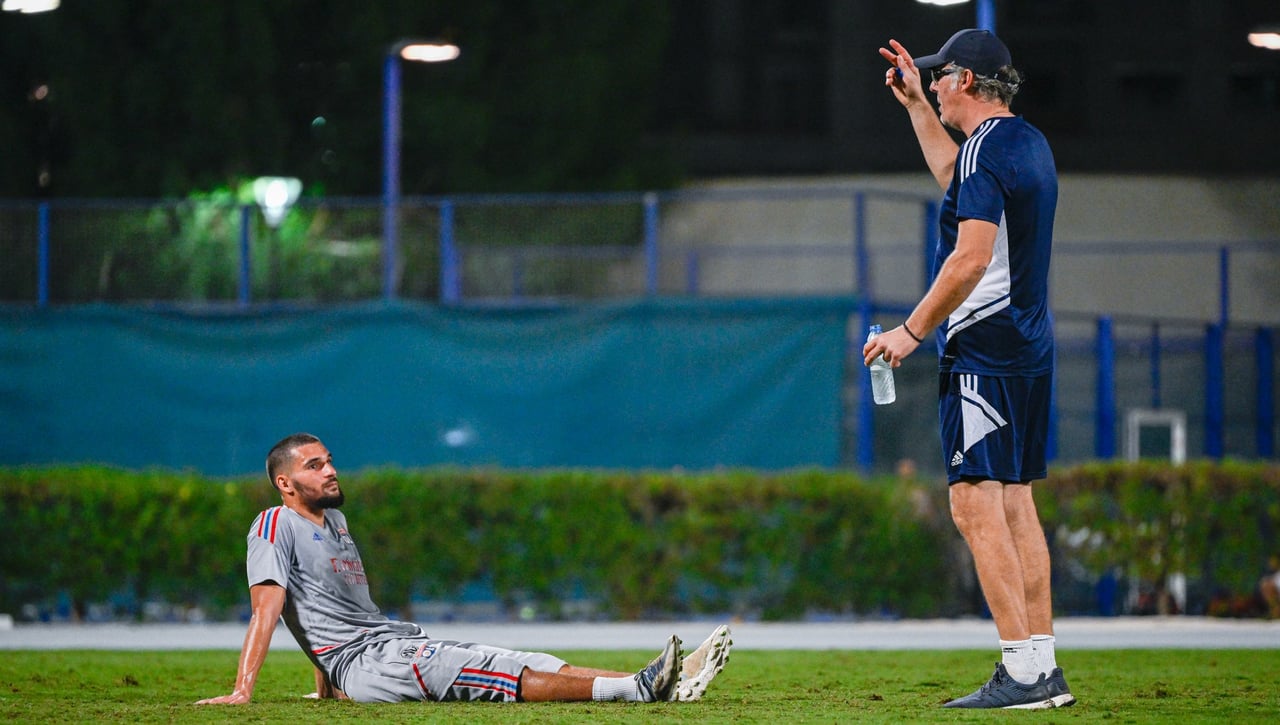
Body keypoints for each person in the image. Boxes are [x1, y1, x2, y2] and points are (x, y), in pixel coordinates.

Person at [196, 432, 732, 706]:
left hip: (383, 648)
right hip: (371, 664)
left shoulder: (335, 524)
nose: (331, 469)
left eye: (329, 459)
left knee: (522, 657)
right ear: (285, 484)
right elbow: (269, 612)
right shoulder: (272, 525)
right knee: (495, 676)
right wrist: (244, 689)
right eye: (314, 466)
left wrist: (327, 686)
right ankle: (636, 691)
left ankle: (670, 683)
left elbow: (333, 613)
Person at [866, 29, 1075, 709]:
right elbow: (962, 188)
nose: (930, 83)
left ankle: (1020, 672)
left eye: (938, 77)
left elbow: (969, 257)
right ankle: (1041, 664)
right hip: (1028, 340)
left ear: (965, 80)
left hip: (985, 342)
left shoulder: (986, 151)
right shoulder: (1026, 142)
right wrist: (916, 113)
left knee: (972, 501)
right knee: (1015, 501)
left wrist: (910, 330)